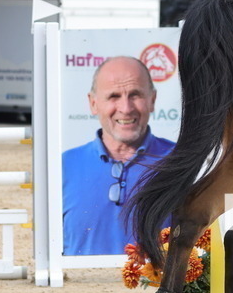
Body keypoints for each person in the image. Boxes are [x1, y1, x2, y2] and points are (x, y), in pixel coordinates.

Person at [62, 56, 175, 255]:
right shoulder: (62, 167)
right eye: (114, 96)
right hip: (81, 285)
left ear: (152, 100)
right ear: (93, 103)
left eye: (135, 95)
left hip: (156, 285)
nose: (126, 108)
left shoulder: (181, 162)